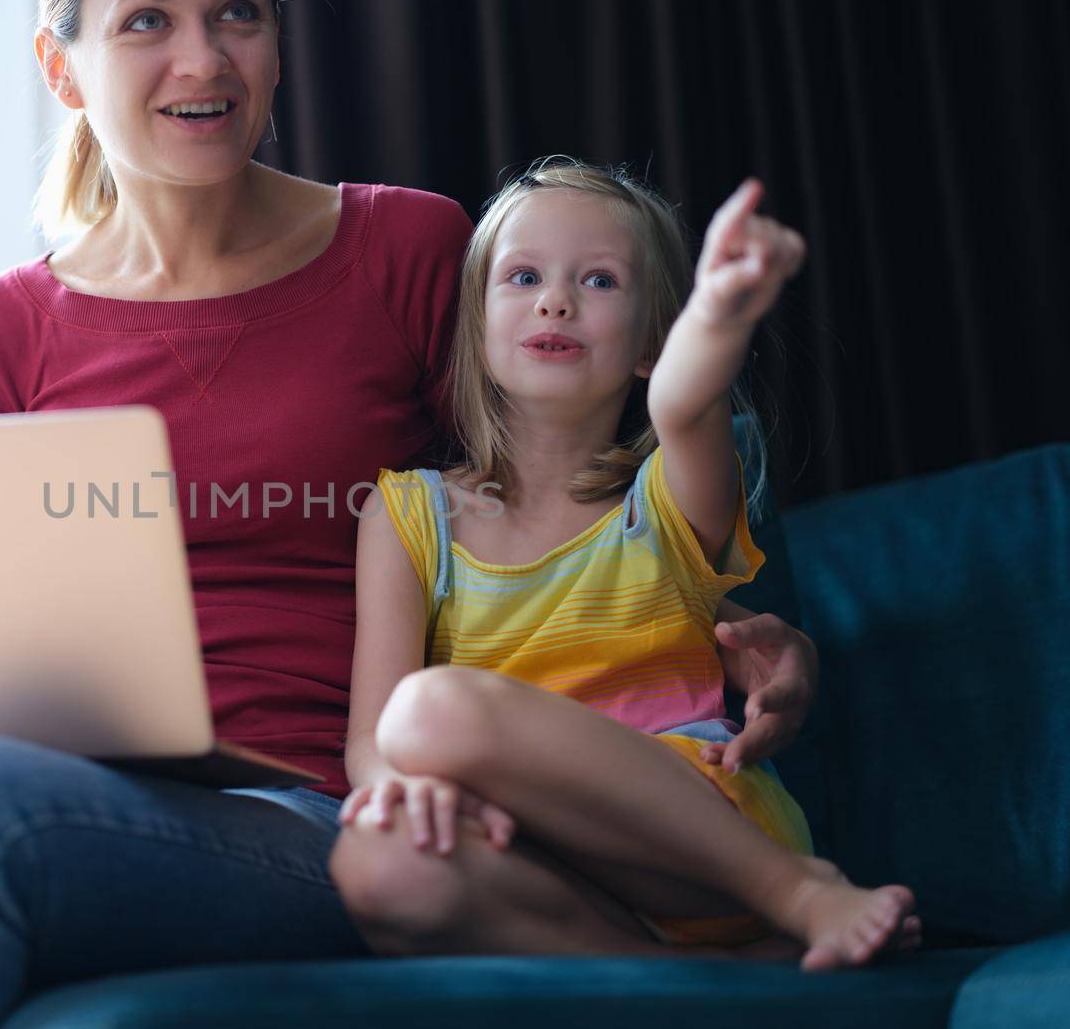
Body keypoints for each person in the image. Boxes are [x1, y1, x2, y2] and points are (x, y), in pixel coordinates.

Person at [0, 0, 829, 1026]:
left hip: (312, 806)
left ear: (278, 41)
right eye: (146, 20)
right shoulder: (1, 333)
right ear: (63, 66)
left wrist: (740, 633)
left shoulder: (403, 252)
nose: (203, 58)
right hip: (73, 781)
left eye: (237, 11)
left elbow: (567, 481)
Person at [330, 159, 922, 972]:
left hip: (706, 839)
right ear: (476, 323)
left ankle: (800, 892)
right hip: (543, 860)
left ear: (652, 341)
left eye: (600, 280)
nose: (556, 300)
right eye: (525, 275)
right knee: (374, 860)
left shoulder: (668, 500)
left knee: (429, 711)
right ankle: (717, 973)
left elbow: (684, 403)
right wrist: (401, 783)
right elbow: (370, 739)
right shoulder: (405, 515)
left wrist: (716, 310)